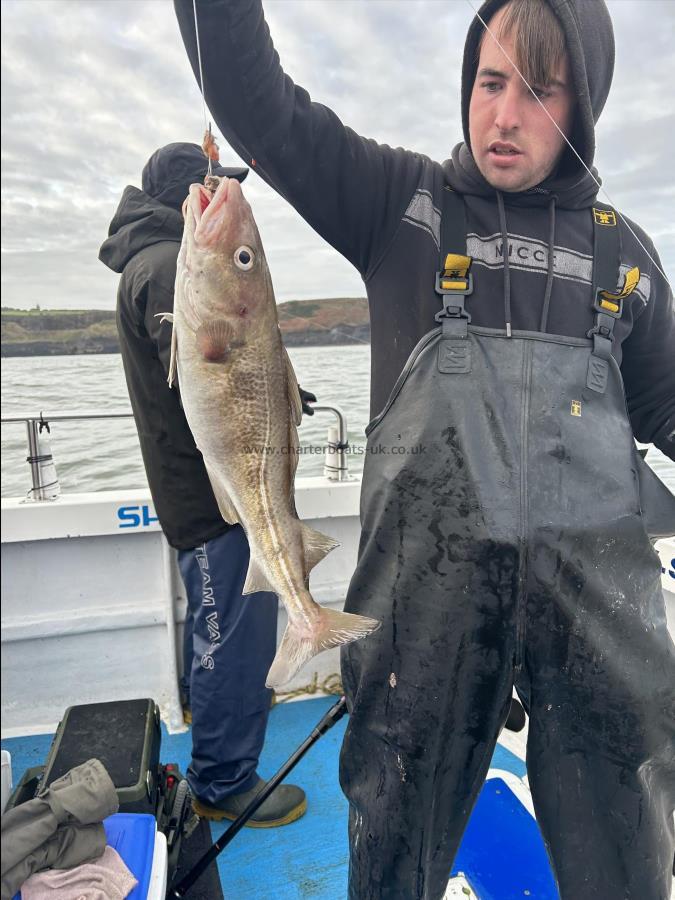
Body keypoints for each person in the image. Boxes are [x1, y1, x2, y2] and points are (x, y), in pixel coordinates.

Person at [173, 2, 675, 897]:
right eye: (488, 83)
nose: (504, 115)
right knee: (395, 852)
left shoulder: (624, 258)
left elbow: (668, 408)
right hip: (423, 623)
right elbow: (257, 102)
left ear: (581, 100)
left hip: (599, 625)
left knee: (628, 855)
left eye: (537, 89)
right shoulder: (398, 204)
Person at [98, 141, 316, 826]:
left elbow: (216, 370)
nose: (223, 192)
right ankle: (222, 782)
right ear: (187, 194)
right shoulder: (169, 266)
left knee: (221, 630)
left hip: (207, 483)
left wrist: (286, 393)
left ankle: (215, 747)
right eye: (212, 182)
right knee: (231, 638)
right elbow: (213, 364)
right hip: (213, 498)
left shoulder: (155, 259)